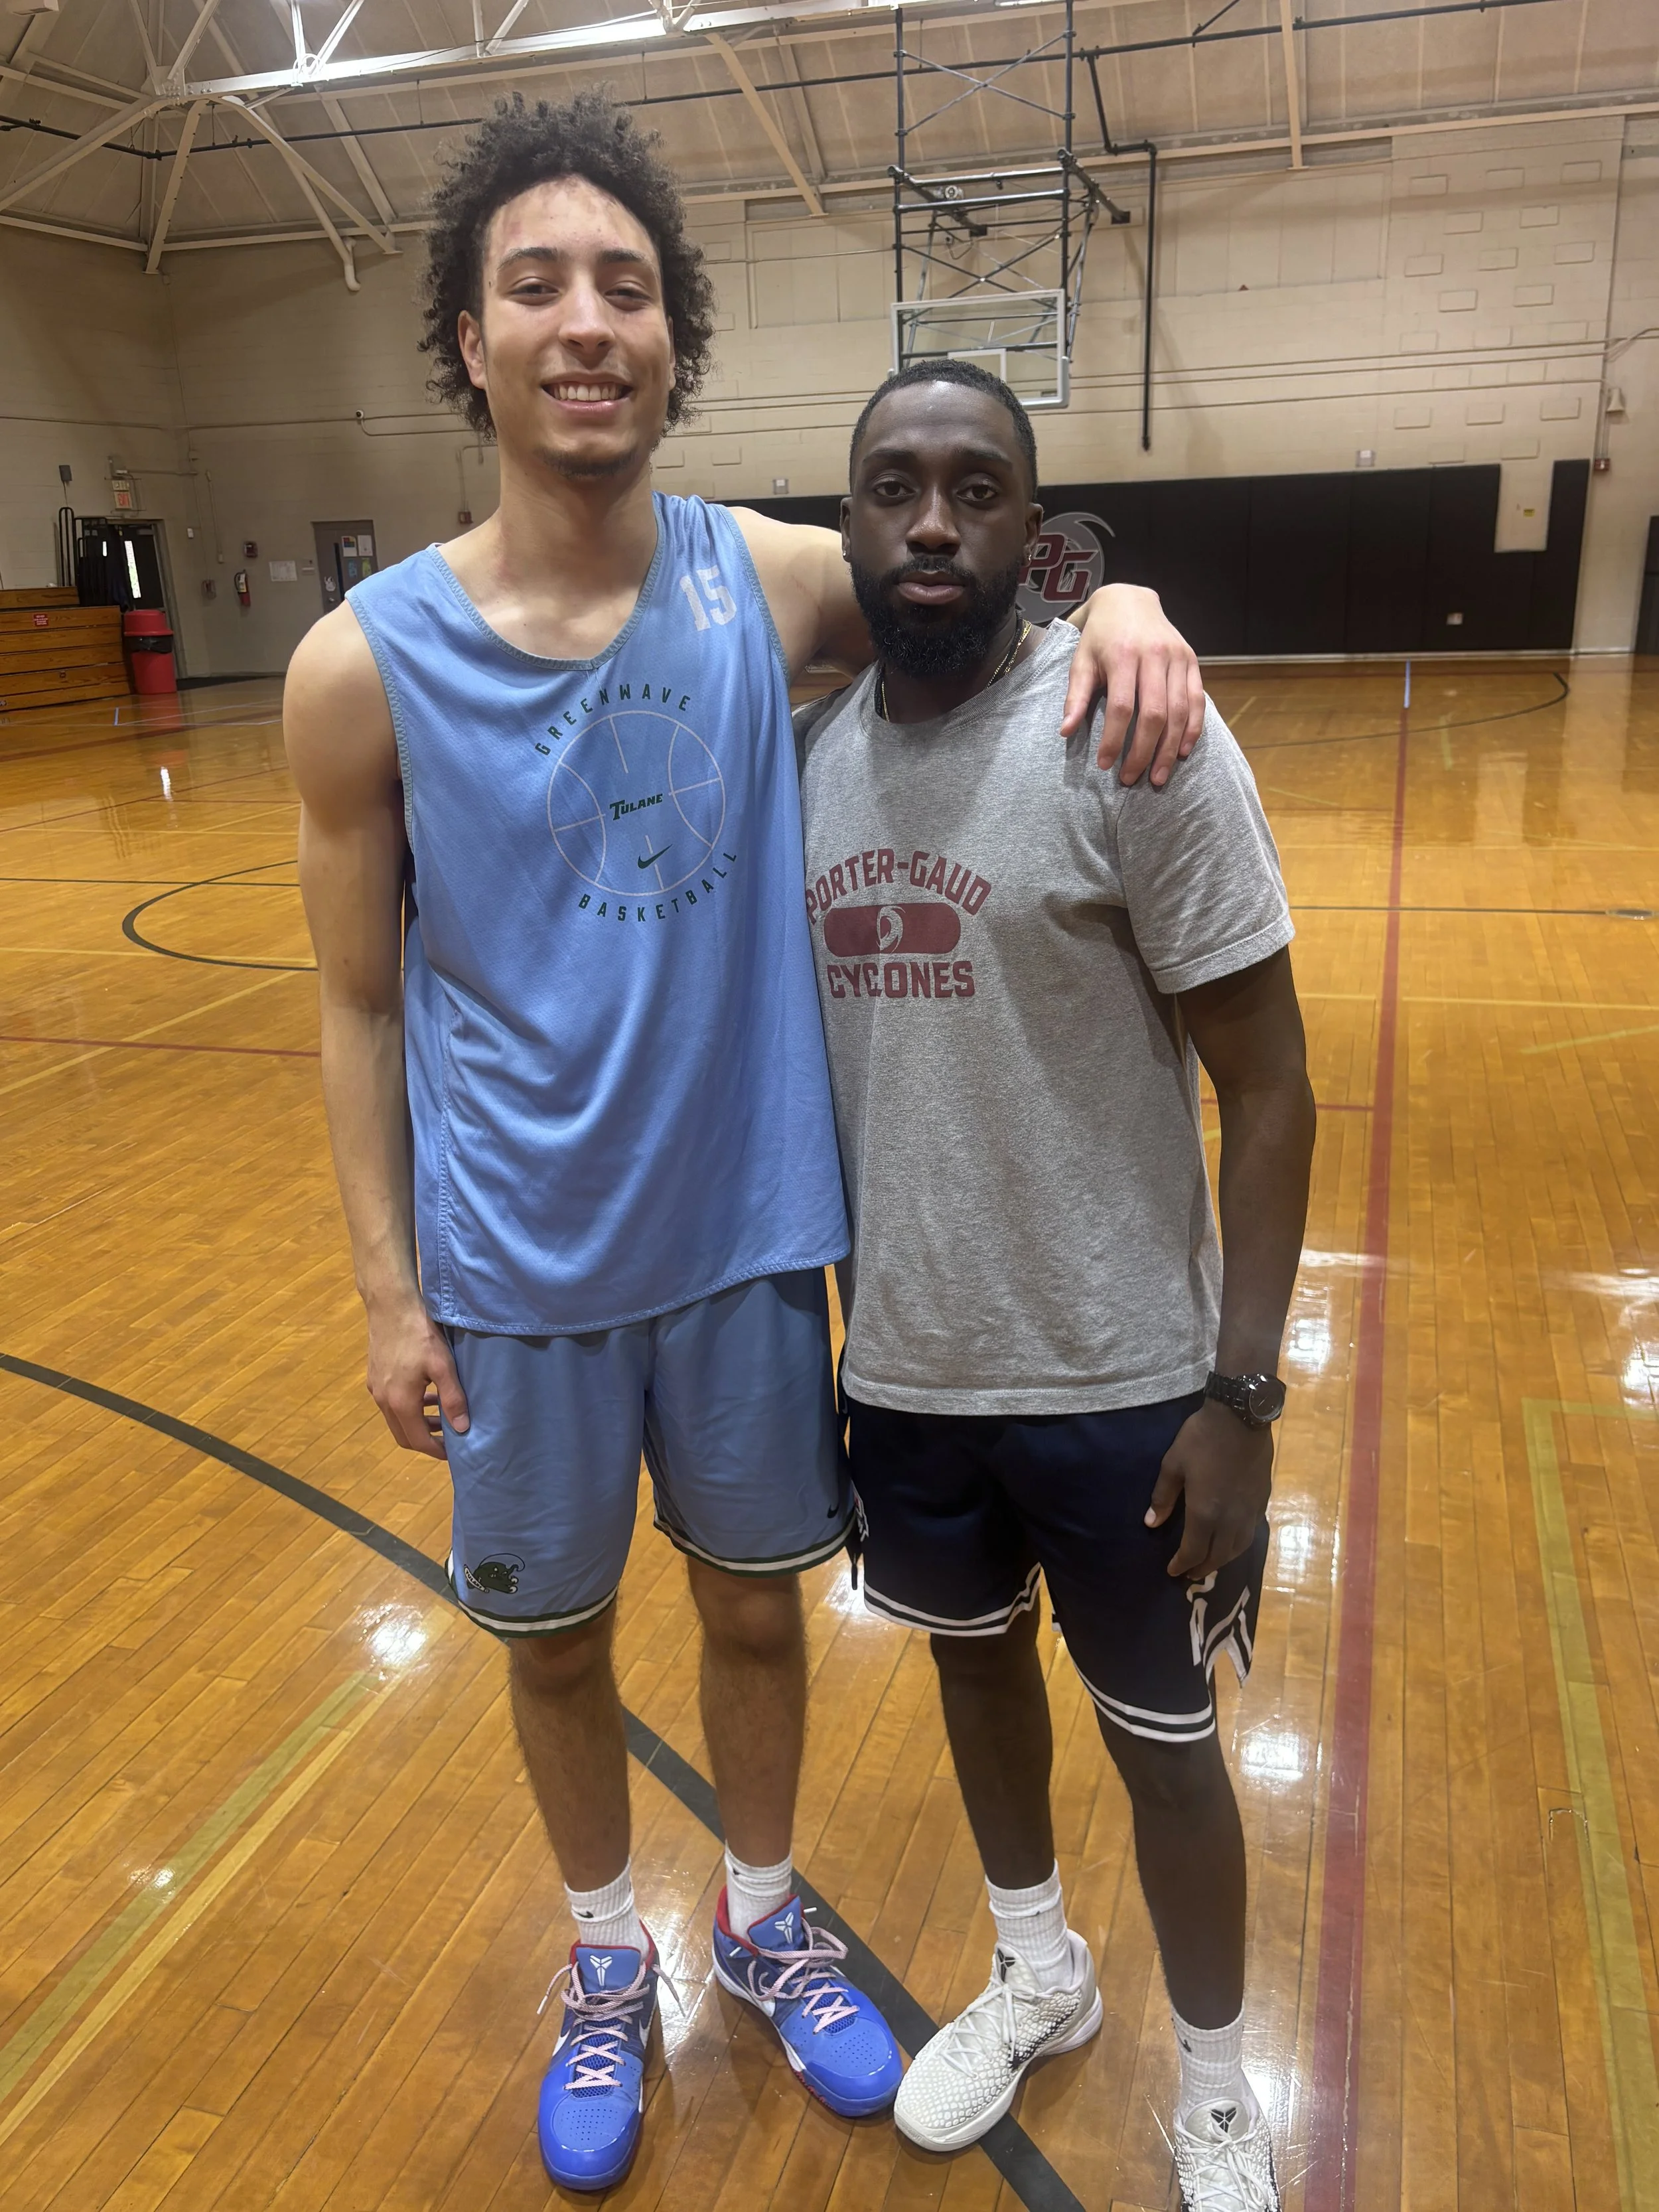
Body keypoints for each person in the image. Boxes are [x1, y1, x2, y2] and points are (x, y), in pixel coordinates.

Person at [283, 89, 1208, 2195]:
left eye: (624, 285)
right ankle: (605, 1957)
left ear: (673, 345)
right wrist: (379, 1281)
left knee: (764, 1617)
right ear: (468, 340)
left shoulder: (766, 578)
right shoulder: (359, 668)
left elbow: (975, 565)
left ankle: (765, 1913)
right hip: (512, 1266)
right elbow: (350, 997)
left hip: (740, 1248)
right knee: (553, 1640)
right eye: (535, 285)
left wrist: (1121, 588)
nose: (584, 320)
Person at [794, 356, 1315, 2211]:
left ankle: (1219, 2081)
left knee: (1166, 1749)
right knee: (973, 1680)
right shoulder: (808, 757)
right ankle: (1037, 1967)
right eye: (892, 486)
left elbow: (1270, 1085)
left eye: (975, 487)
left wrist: (1239, 1396)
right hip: (910, 1373)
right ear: (846, 518)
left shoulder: (1132, 733)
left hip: (1122, 1382)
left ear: (1042, 530)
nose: (930, 520)